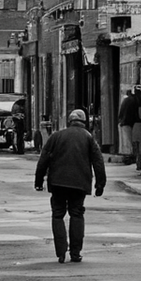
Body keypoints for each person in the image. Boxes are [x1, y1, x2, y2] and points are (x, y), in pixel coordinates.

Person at [34, 109, 106, 264]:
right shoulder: (88, 138)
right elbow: (98, 162)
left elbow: (43, 159)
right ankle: (75, 253)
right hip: (79, 183)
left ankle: (61, 252)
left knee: (58, 214)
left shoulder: (56, 136)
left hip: (58, 182)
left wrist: (39, 181)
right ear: (84, 122)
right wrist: (100, 184)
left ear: (69, 121)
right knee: (76, 214)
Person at [117, 87, 139, 165]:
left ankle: (128, 156)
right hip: (131, 123)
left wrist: (120, 120)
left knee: (127, 141)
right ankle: (131, 156)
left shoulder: (126, 100)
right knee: (130, 140)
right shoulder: (134, 100)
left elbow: (121, 112)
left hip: (125, 122)